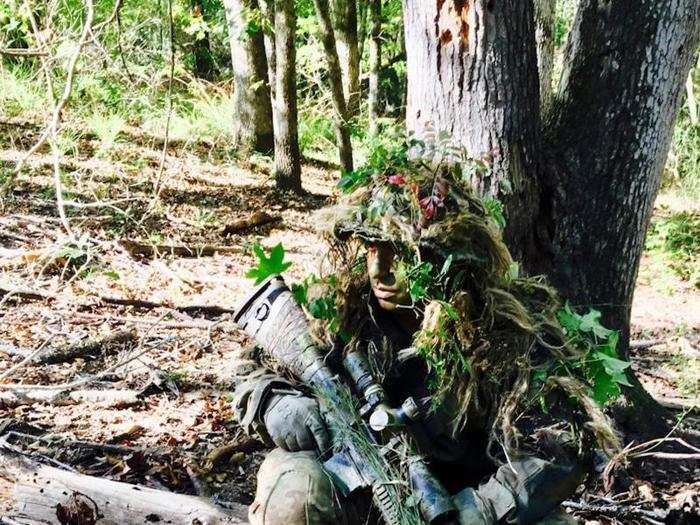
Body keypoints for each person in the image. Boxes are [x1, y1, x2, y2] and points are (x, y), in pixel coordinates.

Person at [231, 157, 620, 524]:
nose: (380, 269)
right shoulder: (337, 309)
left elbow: (561, 448)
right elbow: (255, 372)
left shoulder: (507, 332)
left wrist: (481, 509)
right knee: (295, 497)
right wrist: (276, 403)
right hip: (349, 484)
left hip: (457, 501)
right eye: (371, 249)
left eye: (400, 253)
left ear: (446, 258)